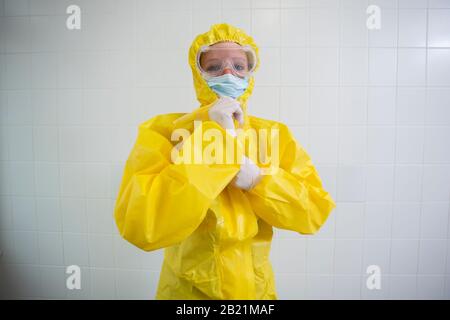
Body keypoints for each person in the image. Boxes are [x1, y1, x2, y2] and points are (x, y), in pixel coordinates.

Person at [113, 23, 336, 300]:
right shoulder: (165, 132)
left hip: (255, 294)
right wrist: (212, 140)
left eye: (239, 66)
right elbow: (142, 227)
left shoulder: (274, 135)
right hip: (186, 294)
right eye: (215, 66)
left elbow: (313, 212)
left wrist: (260, 181)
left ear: (250, 74)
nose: (228, 73)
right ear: (199, 74)